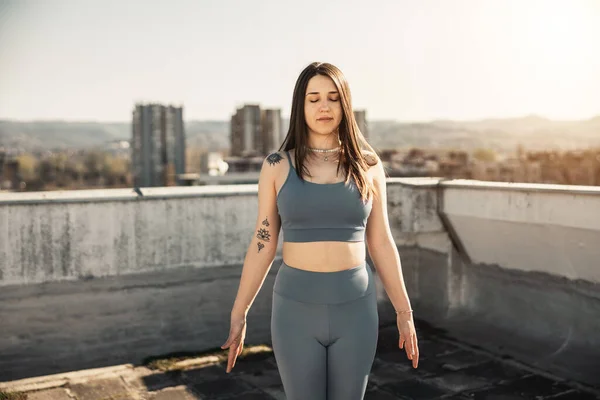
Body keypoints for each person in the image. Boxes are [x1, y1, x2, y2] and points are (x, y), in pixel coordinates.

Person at [221, 62, 419, 400]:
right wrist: (239, 312)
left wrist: (404, 311)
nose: (324, 107)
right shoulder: (276, 166)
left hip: (355, 309)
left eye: (333, 98)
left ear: (345, 104)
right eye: (313, 99)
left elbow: (381, 241)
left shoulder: (368, 166)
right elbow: (263, 243)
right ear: (301, 106)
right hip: (295, 310)